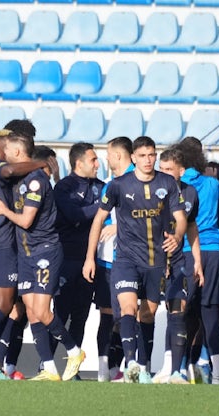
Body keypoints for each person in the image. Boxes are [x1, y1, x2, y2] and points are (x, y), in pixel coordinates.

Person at [83, 136, 187, 384]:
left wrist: (178, 235)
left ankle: (144, 364)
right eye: (142, 156)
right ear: (133, 158)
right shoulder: (119, 185)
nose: (148, 160)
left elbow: (181, 218)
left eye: (152, 155)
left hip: (156, 261)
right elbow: (98, 220)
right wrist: (90, 258)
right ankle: (131, 365)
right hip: (126, 259)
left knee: (148, 314)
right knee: (128, 309)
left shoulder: (168, 183)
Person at [0, 132, 86, 381]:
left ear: (17, 152)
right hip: (26, 254)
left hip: (45, 253)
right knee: (30, 312)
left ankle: (74, 351)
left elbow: (26, 220)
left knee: (42, 312)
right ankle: (49, 369)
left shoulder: (36, 181)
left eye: (6, 150)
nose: (3, 154)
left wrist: (3, 210)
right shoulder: (18, 178)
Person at [179, 136, 219, 384]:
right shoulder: (211, 184)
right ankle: (217, 374)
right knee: (210, 312)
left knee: (182, 312)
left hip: (185, 250)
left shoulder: (175, 183)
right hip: (213, 251)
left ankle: (179, 368)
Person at [152, 147, 204, 384]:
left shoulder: (191, 193)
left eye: (168, 169)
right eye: (160, 169)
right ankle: (146, 366)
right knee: (147, 312)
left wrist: (198, 262)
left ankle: (176, 369)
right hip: (154, 260)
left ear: (181, 171)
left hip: (182, 260)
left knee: (177, 310)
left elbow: (191, 227)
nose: (163, 173)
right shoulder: (153, 191)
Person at [53, 142, 105, 356]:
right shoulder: (64, 187)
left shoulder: (102, 186)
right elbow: (75, 215)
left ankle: (72, 367)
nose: (98, 164)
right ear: (78, 163)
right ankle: (45, 363)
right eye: (93, 160)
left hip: (90, 258)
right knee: (60, 312)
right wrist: (103, 206)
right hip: (66, 257)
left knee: (81, 315)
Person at [94, 136, 135, 382]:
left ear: (118, 156)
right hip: (107, 259)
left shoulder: (139, 180)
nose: (105, 159)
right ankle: (105, 368)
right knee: (108, 315)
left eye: (108, 154)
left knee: (130, 315)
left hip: (133, 260)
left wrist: (119, 227)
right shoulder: (109, 184)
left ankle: (126, 366)